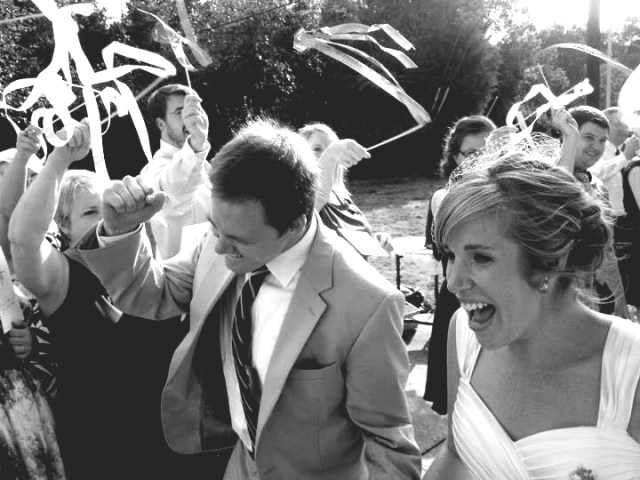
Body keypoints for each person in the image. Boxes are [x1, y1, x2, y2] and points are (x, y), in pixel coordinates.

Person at [75, 117, 422, 479]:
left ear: (295, 224)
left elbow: (389, 448)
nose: (219, 247)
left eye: (239, 240)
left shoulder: (368, 304)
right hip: (239, 465)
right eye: (214, 227)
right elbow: (151, 292)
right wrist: (120, 230)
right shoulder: (224, 237)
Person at [424, 152, 640, 480]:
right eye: (450, 255)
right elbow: (455, 454)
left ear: (550, 261)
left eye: (480, 258)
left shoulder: (632, 370)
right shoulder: (463, 334)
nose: (453, 282)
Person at [8, 121, 203, 480]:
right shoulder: (61, 275)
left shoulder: (147, 263)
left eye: (107, 207)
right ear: (63, 225)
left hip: (174, 442)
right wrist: (59, 159)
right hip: (106, 448)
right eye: (90, 213)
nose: (105, 219)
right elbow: (22, 239)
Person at [423, 114, 496, 415]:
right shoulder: (444, 197)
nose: (482, 160)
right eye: (472, 153)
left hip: (497, 299)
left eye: (490, 151)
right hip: (461, 299)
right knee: (459, 394)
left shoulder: (507, 194)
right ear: (456, 157)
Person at [563, 105, 628, 317]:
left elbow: (607, 249)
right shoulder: (548, 178)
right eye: (589, 137)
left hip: (595, 291)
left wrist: (620, 301)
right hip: (560, 292)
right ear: (568, 134)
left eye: (602, 140)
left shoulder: (598, 185)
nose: (596, 147)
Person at [299, 122, 394, 257]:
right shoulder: (301, 197)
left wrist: (376, 240)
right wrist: (330, 155)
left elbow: (352, 240)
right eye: (317, 149)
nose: (325, 155)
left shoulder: (343, 198)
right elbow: (310, 210)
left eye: (330, 149)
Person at [141, 83, 212, 259]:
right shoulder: (152, 171)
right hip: (183, 274)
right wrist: (197, 142)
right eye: (180, 112)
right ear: (161, 124)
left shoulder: (205, 165)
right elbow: (174, 195)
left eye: (194, 109)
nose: (191, 117)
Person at [589, 107, 640, 217]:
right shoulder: (598, 149)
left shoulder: (620, 151)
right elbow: (594, 174)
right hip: (605, 217)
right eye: (624, 123)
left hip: (621, 217)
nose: (629, 127)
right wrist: (625, 157)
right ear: (610, 125)